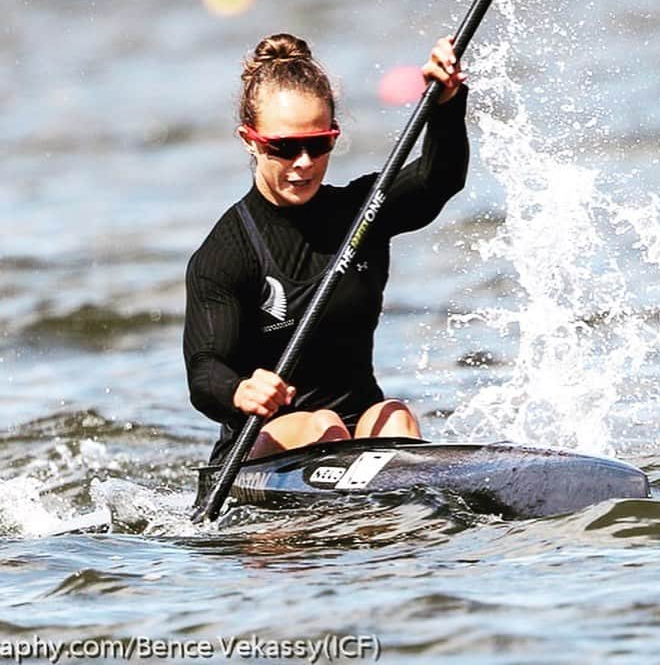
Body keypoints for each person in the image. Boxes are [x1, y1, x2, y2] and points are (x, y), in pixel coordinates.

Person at [183, 32, 468, 465]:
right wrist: (239, 390)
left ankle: (396, 522)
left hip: (361, 433)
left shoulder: (363, 213)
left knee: (395, 417)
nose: (303, 162)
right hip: (266, 448)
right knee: (321, 426)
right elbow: (205, 369)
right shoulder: (224, 254)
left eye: (318, 144)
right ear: (249, 139)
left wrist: (446, 103)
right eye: (283, 147)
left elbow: (437, 179)